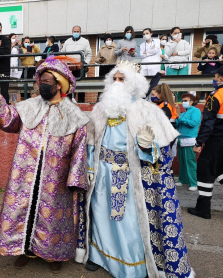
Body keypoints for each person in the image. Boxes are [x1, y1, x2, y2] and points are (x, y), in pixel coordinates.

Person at [77, 60, 194, 278]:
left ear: (135, 84)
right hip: (102, 174)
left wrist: (148, 146)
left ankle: (131, 266)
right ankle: (98, 256)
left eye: (123, 79)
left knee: (127, 222)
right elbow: (90, 142)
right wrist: (89, 166)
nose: (118, 83)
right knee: (100, 215)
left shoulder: (148, 111)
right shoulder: (100, 110)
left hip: (131, 176)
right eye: (115, 78)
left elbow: (164, 152)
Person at [0, 55, 90, 273]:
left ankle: (52, 255)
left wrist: (75, 179)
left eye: (47, 81)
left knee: (53, 216)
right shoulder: (29, 106)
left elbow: (79, 150)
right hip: (26, 171)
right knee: (24, 209)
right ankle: (24, 249)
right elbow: (9, 120)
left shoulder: (75, 116)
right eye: (41, 81)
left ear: (59, 84)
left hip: (56, 176)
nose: (42, 85)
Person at [188, 66, 223, 220]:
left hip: (216, 141)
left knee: (205, 171)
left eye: (215, 76)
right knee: (220, 170)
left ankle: (203, 209)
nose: (214, 79)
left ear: (221, 78)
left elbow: (208, 123)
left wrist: (199, 143)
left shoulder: (216, 95)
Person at [175, 93, 201, 191]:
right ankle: (183, 180)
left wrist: (180, 118)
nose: (183, 103)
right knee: (182, 161)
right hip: (181, 139)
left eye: (186, 100)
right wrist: (177, 116)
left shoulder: (196, 111)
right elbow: (178, 124)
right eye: (182, 101)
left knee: (190, 162)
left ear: (192, 101)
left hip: (190, 140)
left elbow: (193, 123)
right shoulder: (182, 113)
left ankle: (193, 183)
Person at [165, 27, 191, 102]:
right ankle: (171, 101)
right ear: (171, 34)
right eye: (175, 33)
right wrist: (175, 43)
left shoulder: (184, 42)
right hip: (171, 65)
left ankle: (181, 101)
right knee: (170, 85)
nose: (177, 34)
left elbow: (188, 52)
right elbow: (168, 53)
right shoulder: (168, 43)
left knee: (182, 84)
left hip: (183, 65)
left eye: (178, 33)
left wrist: (177, 53)